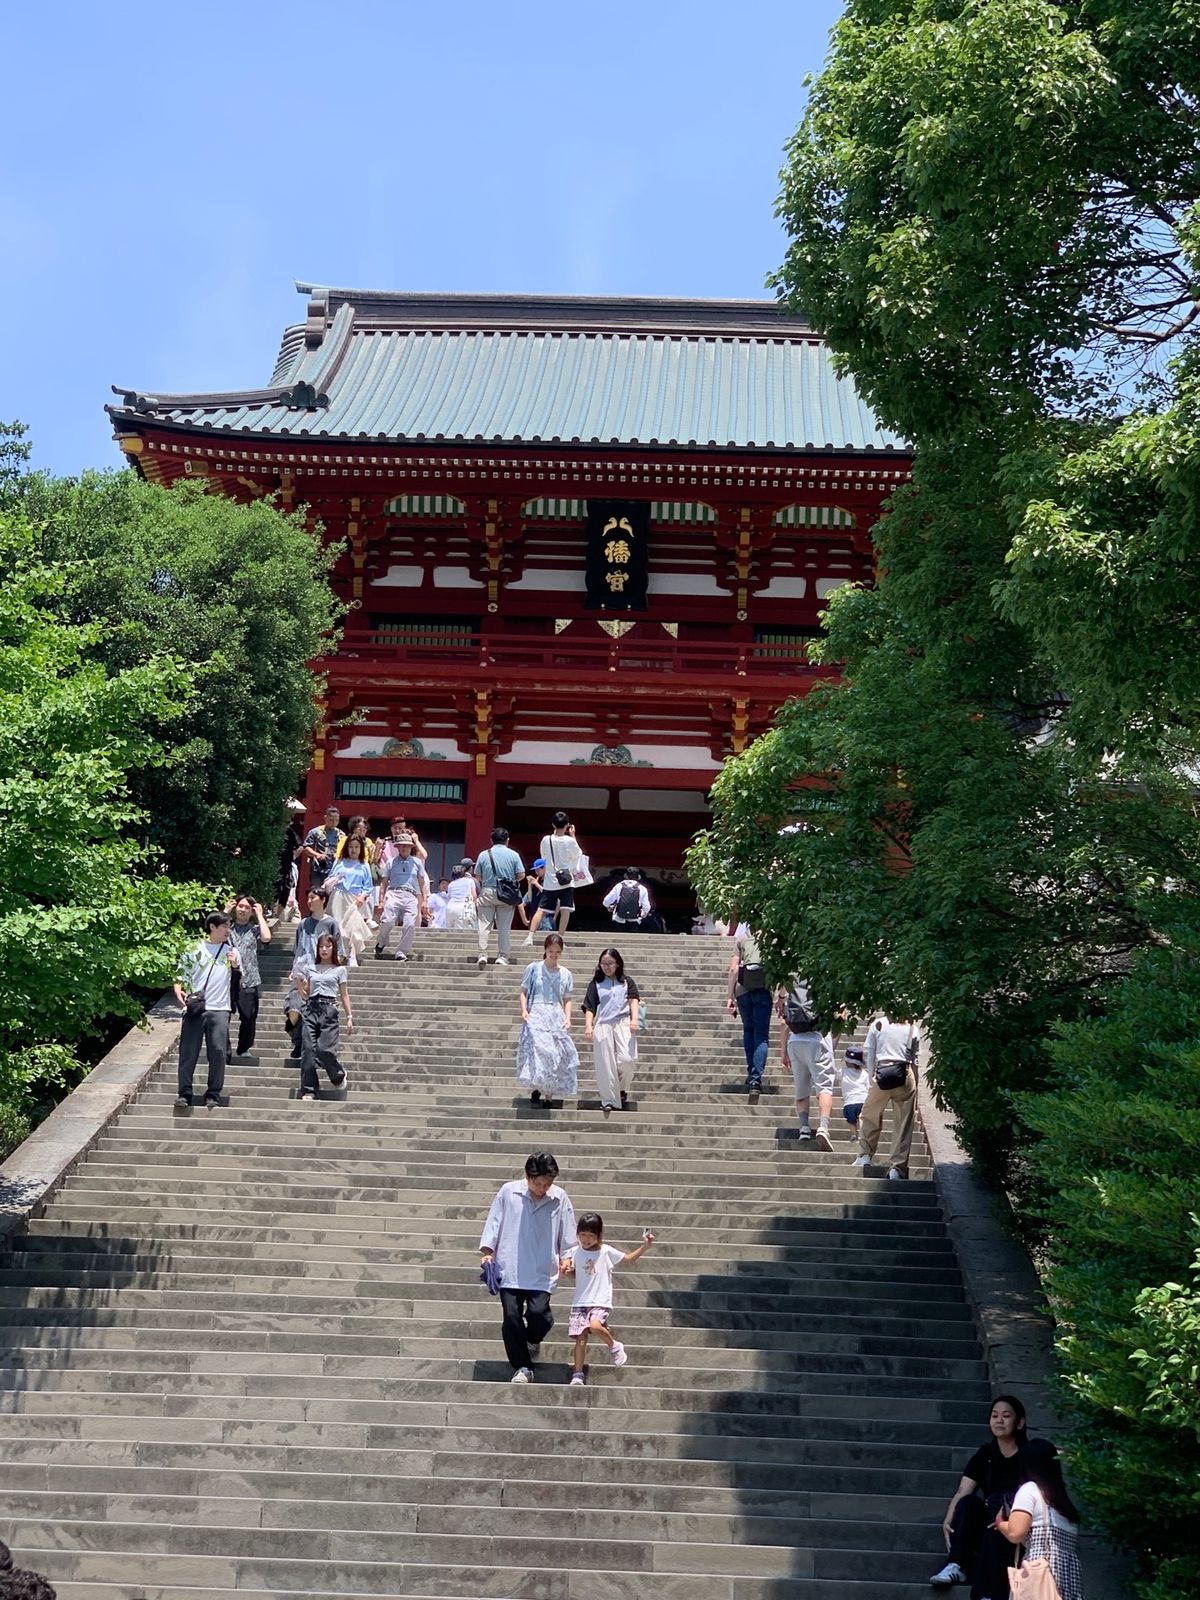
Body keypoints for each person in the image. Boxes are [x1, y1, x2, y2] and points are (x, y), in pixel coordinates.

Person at [930, 1394, 1057, 1595]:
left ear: (1020, 1422)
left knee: (1002, 1501)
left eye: (1006, 1416)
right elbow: (963, 1490)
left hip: (1016, 1527)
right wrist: (949, 1517)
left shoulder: (1028, 1455)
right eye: (995, 1415)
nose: (999, 1420)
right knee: (969, 1502)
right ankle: (956, 1565)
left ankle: (988, 1591)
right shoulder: (985, 1455)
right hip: (990, 1523)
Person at [479, 1151, 577, 1384]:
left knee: (540, 1317)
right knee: (511, 1318)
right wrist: (487, 1252)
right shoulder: (509, 1191)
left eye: (547, 1183)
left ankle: (532, 1339)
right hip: (510, 1267)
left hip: (542, 1270)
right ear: (527, 1176)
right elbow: (494, 1221)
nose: (543, 1188)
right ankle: (523, 1366)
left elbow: (569, 1234)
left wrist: (567, 1258)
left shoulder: (559, 1198)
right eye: (538, 1183)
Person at [560, 1213, 654, 1385]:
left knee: (595, 1326)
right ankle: (578, 1373)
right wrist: (567, 1273)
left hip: (600, 1300)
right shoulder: (575, 1252)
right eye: (583, 1235)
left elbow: (628, 1259)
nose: (586, 1240)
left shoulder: (605, 1251)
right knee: (580, 1338)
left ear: (599, 1235)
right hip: (580, 1301)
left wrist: (645, 1246)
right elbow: (577, 1276)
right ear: (578, 1234)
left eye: (591, 1235)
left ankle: (614, 1346)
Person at [173, 912, 241, 1109]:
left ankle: (213, 1093)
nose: (228, 931)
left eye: (229, 927)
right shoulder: (194, 949)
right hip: (196, 1008)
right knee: (188, 1051)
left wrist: (235, 965)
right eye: (224, 927)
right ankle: (184, 1092)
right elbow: (181, 973)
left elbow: (239, 982)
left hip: (220, 1009)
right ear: (212, 927)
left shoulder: (232, 951)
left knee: (218, 1052)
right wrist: (178, 990)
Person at [995, 1451, 1084, 1600]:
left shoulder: (1029, 1489)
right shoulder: (1064, 1505)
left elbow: (1015, 1533)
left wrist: (1000, 1523)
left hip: (1040, 1574)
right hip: (1068, 1579)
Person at [852, 1012, 920, 1180]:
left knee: (869, 1114)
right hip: (904, 1073)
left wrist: (870, 1079)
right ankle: (897, 1167)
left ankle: (865, 1154)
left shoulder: (878, 1024)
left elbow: (870, 1054)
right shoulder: (913, 1027)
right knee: (903, 1122)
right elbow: (914, 1060)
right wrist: (915, 1084)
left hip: (882, 1072)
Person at [517, 933, 579, 1104]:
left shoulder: (566, 973)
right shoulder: (533, 968)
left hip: (555, 1014)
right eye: (551, 951)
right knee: (540, 1049)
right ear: (545, 950)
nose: (554, 954)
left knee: (555, 1053)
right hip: (537, 1012)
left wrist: (568, 1018)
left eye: (557, 952)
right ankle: (538, 1086)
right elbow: (523, 992)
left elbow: (567, 999)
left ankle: (548, 1094)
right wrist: (524, 1011)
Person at [285, 888, 344, 1059]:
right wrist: (294, 969)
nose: (309, 901)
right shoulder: (303, 923)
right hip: (302, 972)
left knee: (315, 1011)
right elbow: (298, 949)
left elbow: (339, 951)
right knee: (293, 1007)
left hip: (321, 974)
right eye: (308, 898)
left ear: (323, 900)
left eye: (313, 898)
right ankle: (297, 1040)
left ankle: (309, 1046)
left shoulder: (331, 923)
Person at [776, 980, 835, 1150]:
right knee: (824, 1087)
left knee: (801, 1088)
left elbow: (783, 1023)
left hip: (795, 1042)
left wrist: (783, 1053)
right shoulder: (825, 986)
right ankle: (823, 1127)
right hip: (817, 1040)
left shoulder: (793, 988)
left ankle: (803, 1128)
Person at [295, 932, 352, 1102]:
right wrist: (299, 986)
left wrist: (349, 1016)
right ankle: (309, 1089)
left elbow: (344, 994)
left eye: (328, 946)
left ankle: (337, 1074)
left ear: (334, 948)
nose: (324, 949)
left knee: (324, 1050)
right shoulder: (310, 968)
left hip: (329, 1009)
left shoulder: (339, 970)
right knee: (307, 1049)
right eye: (321, 946)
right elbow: (305, 994)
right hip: (311, 1008)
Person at [582, 948, 641, 1111]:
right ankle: (608, 1100)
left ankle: (621, 1088)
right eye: (603, 964)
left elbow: (634, 1000)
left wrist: (634, 1019)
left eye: (610, 963)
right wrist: (589, 1026)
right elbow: (589, 1006)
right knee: (605, 1063)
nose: (606, 967)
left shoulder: (627, 981)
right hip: (603, 1025)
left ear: (618, 964)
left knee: (627, 1060)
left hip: (623, 1022)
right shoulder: (596, 983)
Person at [725, 926, 771, 1102]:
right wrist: (781, 996)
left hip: (743, 990)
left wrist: (730, 996)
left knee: (748, 1031)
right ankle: (755, 1080)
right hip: (763, 989)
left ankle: (751, 1071)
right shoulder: (771, 940)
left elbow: (734, 969)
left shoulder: (742, 938)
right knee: (761, 1035)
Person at [524, 812, 584, 942]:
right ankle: (560, 937)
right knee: (565, 909)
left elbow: (543, 856)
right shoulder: (569, 841)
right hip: (566, 881)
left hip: (550, 880)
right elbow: (578, 854)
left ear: (553, 824)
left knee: (541, 909)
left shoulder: (546, 840)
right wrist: (572, 835)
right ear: (567, 825)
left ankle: (530, 936)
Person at [224, 894, 271, 1061]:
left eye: (246, 907)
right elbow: (212, 931)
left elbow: (266, 937)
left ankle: (243, 1048)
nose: (242, 909)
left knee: (249, 1016)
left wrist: (259, 914)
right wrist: (225, 912)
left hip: (249, 978)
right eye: (240, 906)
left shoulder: (254, 929)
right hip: (226, 978)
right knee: (223, 1016)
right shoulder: (226, 927)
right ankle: (224, 1050)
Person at [474, 826, 526, 968]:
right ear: (507, 840)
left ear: (491, 840)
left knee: (484, 925)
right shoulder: (514, 855)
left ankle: (482, 954)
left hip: (487, 891)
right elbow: (521, 874)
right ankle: (502, 956)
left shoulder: (483, 855)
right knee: (504, 926)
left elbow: (477, 876)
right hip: (506, 893)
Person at [374, 832, 430, 961]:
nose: (404, 848)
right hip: (394, 892)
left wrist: (425, 900)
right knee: (387, 920)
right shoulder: (390, 862)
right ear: (397, 847)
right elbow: (384, 882)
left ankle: (401, 951)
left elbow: (422, 883)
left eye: (407, 846)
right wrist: (381, 900)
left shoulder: (417, 862)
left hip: (410, 894)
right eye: (402, 846)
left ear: (411, 847)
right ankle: (382, 941)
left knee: (410, 925)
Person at [325, 833, 375, 965]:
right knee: (339, 928)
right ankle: (339, 954)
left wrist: (362, 897)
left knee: (353, 928)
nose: (354, 850)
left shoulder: (364, 865)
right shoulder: (340, 862)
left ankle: (352, 955)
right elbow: (330, 878)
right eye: (351, 847)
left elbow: (368, 886)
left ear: (361, 848)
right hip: (338, 897)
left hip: (355, 899)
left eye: (357, 847)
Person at [298, 805, 345, 895]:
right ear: (325, 818)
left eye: (336, 820)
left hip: (334, 870)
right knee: (316, 893)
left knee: (332, 896)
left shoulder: (341, 834)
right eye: (331, 820)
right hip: (318, 869)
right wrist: (317, 855)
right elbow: (306, 847)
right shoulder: (315, 832)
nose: (334, 822)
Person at [273, 809, 305, 922]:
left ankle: (277, 916)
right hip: (271, 866)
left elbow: (301, 846)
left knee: (285, 891)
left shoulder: (290, 832)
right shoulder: (271, 831)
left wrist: (293, 857)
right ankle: (270, 914)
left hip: (286, 866)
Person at [840, 1042, 869, 1132]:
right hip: (863, 1100)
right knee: (862, 1119)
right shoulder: (864, 1073)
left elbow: (833, 1071)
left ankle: (853, 1134)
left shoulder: (843, 1071)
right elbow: (868, 1086)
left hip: (850, 1101)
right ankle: (862, 1134)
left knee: (851, 1121)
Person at [445, 862, 478, 931]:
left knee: (450, 931)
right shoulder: (469, 881)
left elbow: (449, 897)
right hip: (463, 907)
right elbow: (474, 896)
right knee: (462, 933)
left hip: (450, 907)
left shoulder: (451, 884)